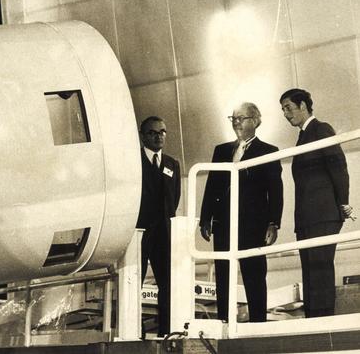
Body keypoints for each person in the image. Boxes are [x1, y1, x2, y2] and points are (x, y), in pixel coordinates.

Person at [200, 102, 283, 322]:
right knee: (224, 275)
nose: (237, 122)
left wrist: (273, 223)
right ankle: (225, 322)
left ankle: (258, 324)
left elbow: (275, 191)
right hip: (225, 224)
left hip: (253, 226)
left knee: (254, 275)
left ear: (256, 121)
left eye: (242, 118)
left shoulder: (269, 151)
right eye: (233, 118)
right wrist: (205, 218)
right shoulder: (221, 150)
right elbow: (212, 186)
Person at [280, 88, 353, 318]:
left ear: (303, 106)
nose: (285, 113)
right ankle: (312, 321)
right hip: (306, 218)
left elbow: (339, 168)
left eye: (288, 107)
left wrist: (343, 204)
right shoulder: (302, 136)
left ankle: (323, 324)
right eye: (283, 109)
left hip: (323, 215)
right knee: (310, 271)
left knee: (320, 269)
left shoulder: (321, 129)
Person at [136, 116, 181, 337]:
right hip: (141, 233)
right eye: (153, 133)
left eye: (162, 132)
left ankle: (166, 332)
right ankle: (137, 331)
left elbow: (175, 198)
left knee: (168, 285)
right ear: (143, 136)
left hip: (164, 234)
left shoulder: (172, 164)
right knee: (135, 283)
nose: (159, 136)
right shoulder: (134, 162)